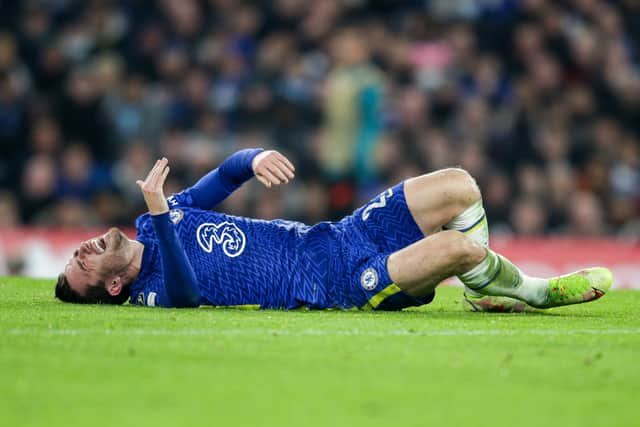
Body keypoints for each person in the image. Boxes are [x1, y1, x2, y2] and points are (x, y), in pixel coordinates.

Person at [55, 148, 612, 311]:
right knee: (458, 246)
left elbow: (225, 174)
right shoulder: (153, 289)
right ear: (110, 287)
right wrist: (157, 212)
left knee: (459, 184)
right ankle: (532, 292)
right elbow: (186, 292)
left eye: (73, 252)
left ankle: (481, 293)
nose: (80, 250)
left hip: (339, 236)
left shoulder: (164, 219)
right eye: (79, 264)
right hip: (344, 284)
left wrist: (254, 158)